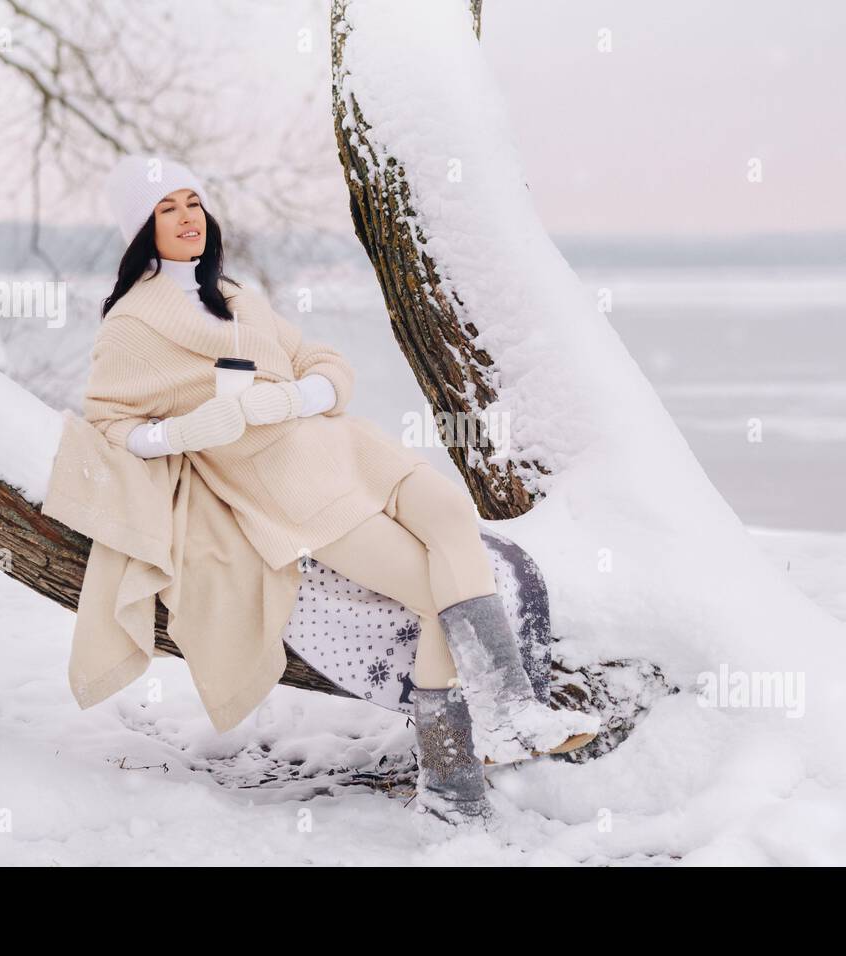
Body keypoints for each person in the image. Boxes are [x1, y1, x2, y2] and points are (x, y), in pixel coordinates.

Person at [88, 154, 599, 825]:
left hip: (350, 448)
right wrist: (185, 430)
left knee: (449, 510)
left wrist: (297, 396)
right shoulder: (132, 325)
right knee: (428, 590)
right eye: (167, 208)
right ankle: (450, 779)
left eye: (192, 202)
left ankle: (509, 712)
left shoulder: (236, 297)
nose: (188, 219)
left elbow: (327, 364)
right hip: (289, 490)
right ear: (140, 229)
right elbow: (109, 426)